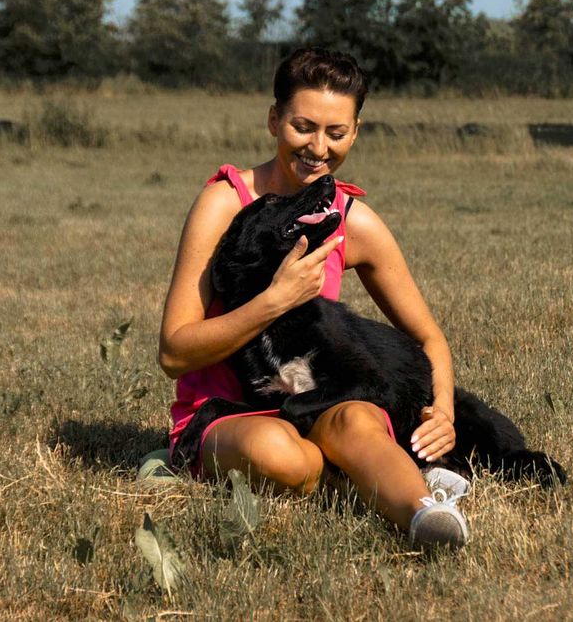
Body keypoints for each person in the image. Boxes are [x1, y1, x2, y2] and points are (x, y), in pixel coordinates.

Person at [158, 47, 470, 549]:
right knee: (283, 455)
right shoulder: (225, 202)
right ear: (274, 120)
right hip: (227, 413)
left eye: (336, 132)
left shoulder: (355, 222)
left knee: (358, 420)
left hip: (322, 403)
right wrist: (274, 300)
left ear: (356, 132)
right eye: (303, 127)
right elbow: (174, 352)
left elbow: (428, 336)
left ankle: (426, 516)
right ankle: (363, 480)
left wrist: (445, 413)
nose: (317, 148)